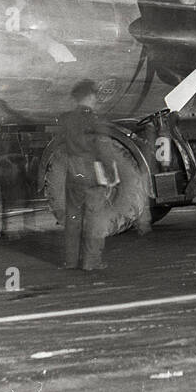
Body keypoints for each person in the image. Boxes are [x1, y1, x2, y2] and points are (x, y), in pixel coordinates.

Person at [52, 80, 119, 271]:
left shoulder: (66, 119)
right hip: (92, 176)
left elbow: (59, 146)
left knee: (72, 219)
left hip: (73, 174)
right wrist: (111, 174)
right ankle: (91, 262)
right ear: (90, 97)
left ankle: (70, 262)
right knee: (95, 220)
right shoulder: (96, 121)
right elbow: (104, 149)